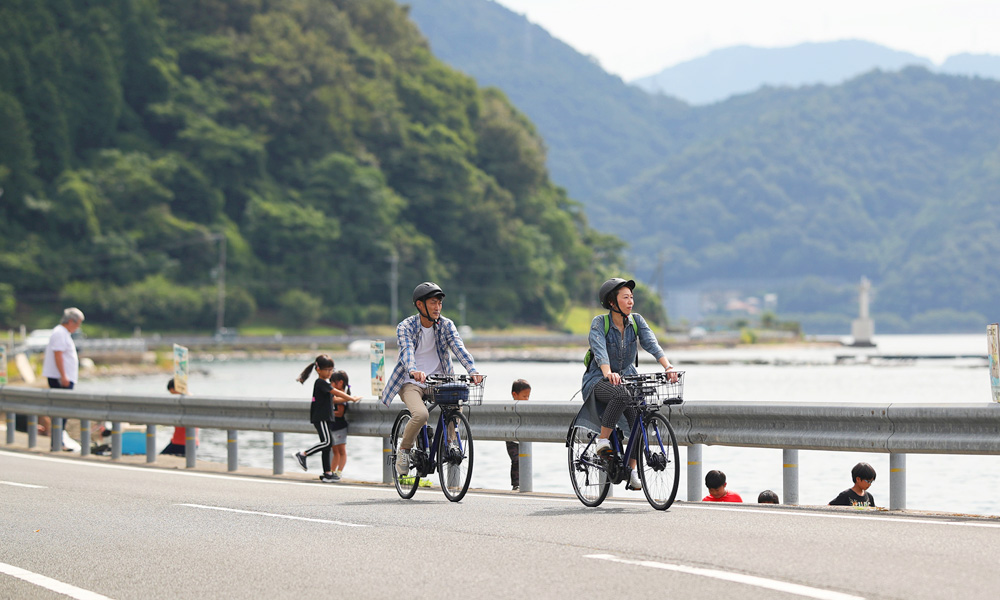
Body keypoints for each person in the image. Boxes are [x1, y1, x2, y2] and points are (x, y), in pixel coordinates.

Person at [581, 278, 677, 491]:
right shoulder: (600, 323)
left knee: (639, 422)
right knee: (621, 395)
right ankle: (603, 441)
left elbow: (651, 342)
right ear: (612, 303)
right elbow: (599, 350)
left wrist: (668, 367)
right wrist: (608, 373)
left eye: (632, 297)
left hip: (627, 379)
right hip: (598, 380)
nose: (630, 301)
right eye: (625, 297)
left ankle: (632, 470)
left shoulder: (636, 321)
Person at [381, 282, 482, 476]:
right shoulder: (406, 326)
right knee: (421, 415)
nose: (437, 307)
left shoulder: (446, 325)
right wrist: (413, 370)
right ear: (420, 305)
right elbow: (407, 350)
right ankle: (404, 450)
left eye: (440, 303)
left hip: (438, 382)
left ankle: (450, 444)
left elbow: (459, 348)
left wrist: (472, 369)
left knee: (456, 404)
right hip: (411, 382)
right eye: (433, 303)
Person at [293, 355, 361, 482]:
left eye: (331, 369)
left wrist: (350, 398)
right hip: (321, 418)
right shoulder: (321, 382)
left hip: (325, 418)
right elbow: (335, 392)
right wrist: (351, 398)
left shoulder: (323, 384)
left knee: (326, 446)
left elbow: (335, 399)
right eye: (327, 370)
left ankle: (327, 473)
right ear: (318, 369)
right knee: (327, 442)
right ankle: (303, 454)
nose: (330, 372)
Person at [37, 308, 85, 444]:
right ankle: (58, 441)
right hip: (61, 379)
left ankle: (59, 441)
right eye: (77, 324)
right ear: (71, 321)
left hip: (63, 377)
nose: (78, 327)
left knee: (62, 411)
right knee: (61, 410)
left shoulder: (62, 333)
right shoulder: (60, 333)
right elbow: (58, 355)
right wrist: (63, 376)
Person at [161, 378, 198, 456]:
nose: (172, 396)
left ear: (173, 389)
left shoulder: (186, 399)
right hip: (180, 441)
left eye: (172, 393)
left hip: (182, 443)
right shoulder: (190, 398)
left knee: (162, 458)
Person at [328, 370, 354, 482]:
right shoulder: (337, 395)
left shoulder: (342, 396)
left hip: (340, 425)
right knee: (335, 451)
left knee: (341, 450)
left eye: (333, 382)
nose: (331, 385)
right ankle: (332, 471)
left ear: (340, 382)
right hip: (334, 425)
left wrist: (328, 413)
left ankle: (339, 472)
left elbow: (340, 413)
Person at [507, 379, 531, 491]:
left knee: (524, 460)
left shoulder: (527, 407)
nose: (527, 399)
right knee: (516, 460)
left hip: (523, 439)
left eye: (528, 396)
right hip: (511, 439)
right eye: (524, 396)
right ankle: (516, 484)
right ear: (514, 395)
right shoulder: (510, 407)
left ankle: (524, 484)